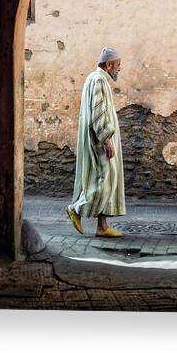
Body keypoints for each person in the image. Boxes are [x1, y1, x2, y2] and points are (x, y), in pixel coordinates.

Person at [66, 47, 126, 238]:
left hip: (101, 139)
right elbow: (98, 112)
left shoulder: (96, 78)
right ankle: (76, 209)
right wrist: (106, 139)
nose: (119, 69)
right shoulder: (99, 80)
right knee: (104, 181)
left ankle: (102, 226)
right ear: (109, 64)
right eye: (118, 65)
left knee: (106, 179)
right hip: (100, 141)